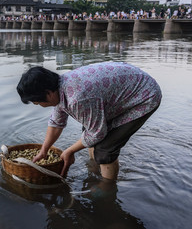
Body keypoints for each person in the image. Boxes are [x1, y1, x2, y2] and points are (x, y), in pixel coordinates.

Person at [16, 62, 162, 180]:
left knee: (105, 149)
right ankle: (95, 168)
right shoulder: (60, 87)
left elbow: (96, 133)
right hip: (125, 88)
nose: (40, 106)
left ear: (48, 93)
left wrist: (69, 151)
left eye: (37, 102)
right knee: (90, 133)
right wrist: (44, 151)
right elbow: (56, 123)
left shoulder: (77, 98)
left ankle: (107, 189)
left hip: (144, 96)